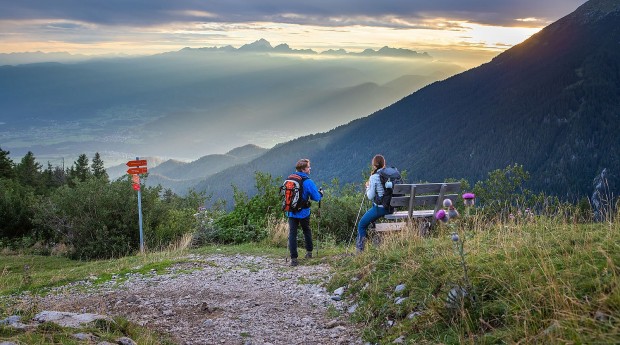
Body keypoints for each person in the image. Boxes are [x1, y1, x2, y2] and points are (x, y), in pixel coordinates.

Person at [287, 158, 323, 266]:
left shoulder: (290, 179)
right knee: (306, 230)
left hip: (291, 211)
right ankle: (309, 252)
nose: (310, 168)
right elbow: (316, 198)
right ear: (303, 169)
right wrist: (321, 193)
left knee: (292, 233)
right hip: (303, 212)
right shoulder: (308, 182)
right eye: (308, 167)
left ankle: (293, 259)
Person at [357, 154, 391, 253]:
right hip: (391, 207)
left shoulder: (374, 177)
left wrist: (367, 186)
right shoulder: (389, 173)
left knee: (361, 225)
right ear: (383, 164)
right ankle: (375, 244)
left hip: (381, 208)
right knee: (371, 221)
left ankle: (360, 251)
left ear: (374, 165)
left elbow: (370, 196)